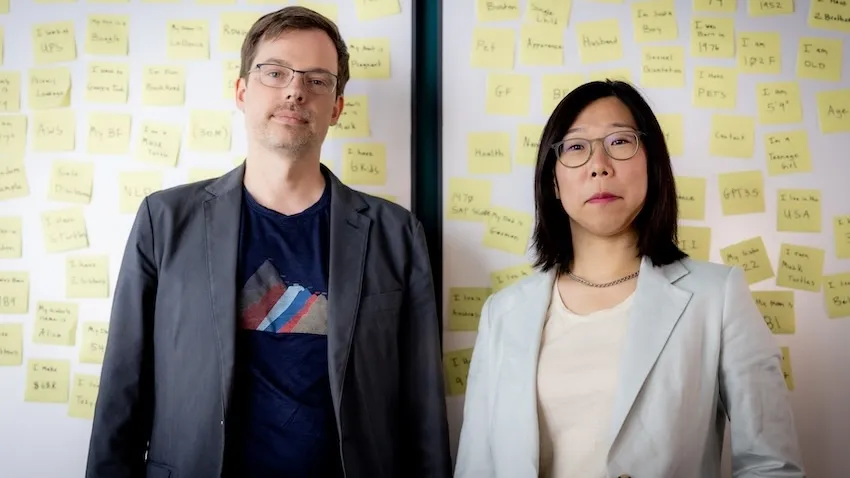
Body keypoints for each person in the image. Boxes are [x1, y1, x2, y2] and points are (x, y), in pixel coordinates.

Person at [85, 6, 452, 478]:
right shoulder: (164, 221)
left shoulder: (396, 234)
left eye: (318, 80)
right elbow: (122, 391)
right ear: (242, 91)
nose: (295, 90)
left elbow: (422, 406)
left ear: (337, 107)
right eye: (274, 72)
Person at [453, 80, 805, 478]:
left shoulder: (717, 297)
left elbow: (771, 465)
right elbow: (475, 466)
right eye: (575, 147)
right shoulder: (503, 313)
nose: (599, 164)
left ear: (652, 165)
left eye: (620, 142)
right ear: (552, 181)